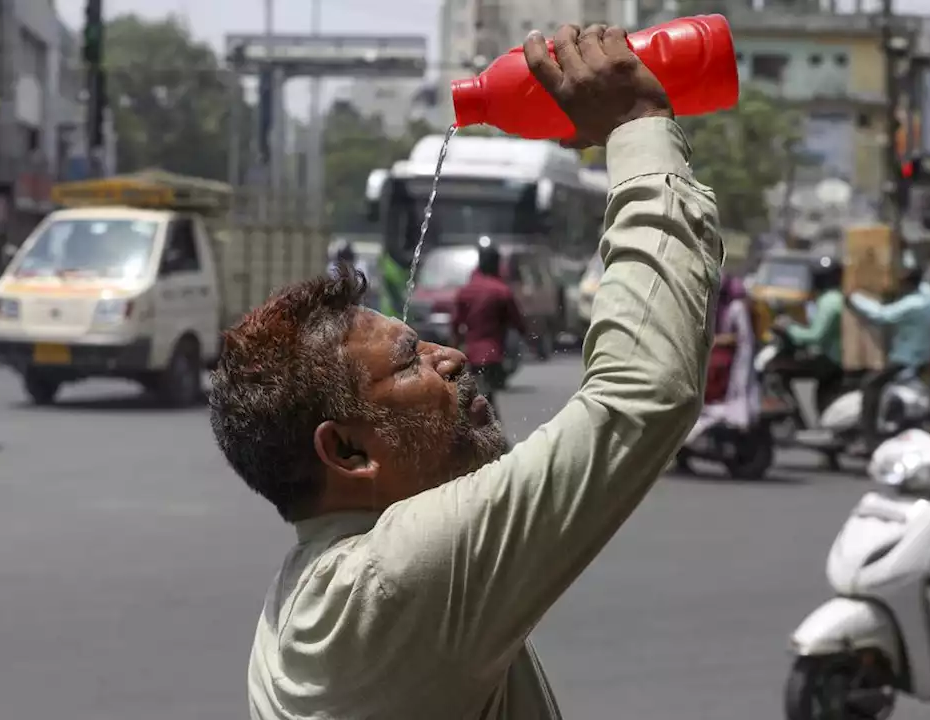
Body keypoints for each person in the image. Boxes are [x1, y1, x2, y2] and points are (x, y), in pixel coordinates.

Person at [209, 24, 720, 719]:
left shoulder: (318, 591)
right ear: (348, 450)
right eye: (408, 363)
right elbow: (642, 393)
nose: (449, 358)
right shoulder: (398, 578)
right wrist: (636, 126)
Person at [847, 261, 930, 449]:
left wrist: (854, 298)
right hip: (921, 356)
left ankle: (869, 437)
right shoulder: (928, 295)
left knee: (870, 385)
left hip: (905, 359)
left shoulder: (913, 303)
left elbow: (882, 315)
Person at [451, 241, 527, 421]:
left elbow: (455, 325)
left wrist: (454, 349)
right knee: (485, 400)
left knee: (479, 399)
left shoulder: (466, 291)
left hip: (471, 356)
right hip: (493, 356)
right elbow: (518, 322)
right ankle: (495, 440)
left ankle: (489, 438)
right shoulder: (501, 291)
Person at [688, 275, 759, 445]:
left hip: (735, 360)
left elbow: (742, 338)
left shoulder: (736, 308)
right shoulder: (717, 307)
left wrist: (715, 341)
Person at [774, 255, 845, 412]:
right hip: (833, 356)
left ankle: (793, 412)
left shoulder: (829, 302)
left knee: (778, 368)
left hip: (832, 359)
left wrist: (789, 328)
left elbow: (816, 336)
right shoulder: (833, 298)